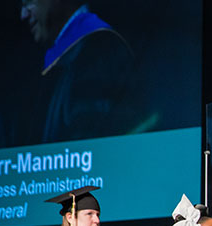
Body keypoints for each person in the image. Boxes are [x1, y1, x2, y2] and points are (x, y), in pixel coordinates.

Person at [20, 0, 136, 143]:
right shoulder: (65, 55)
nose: (23, 15)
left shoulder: (99, 52)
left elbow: (89, 151)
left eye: (29, 2)